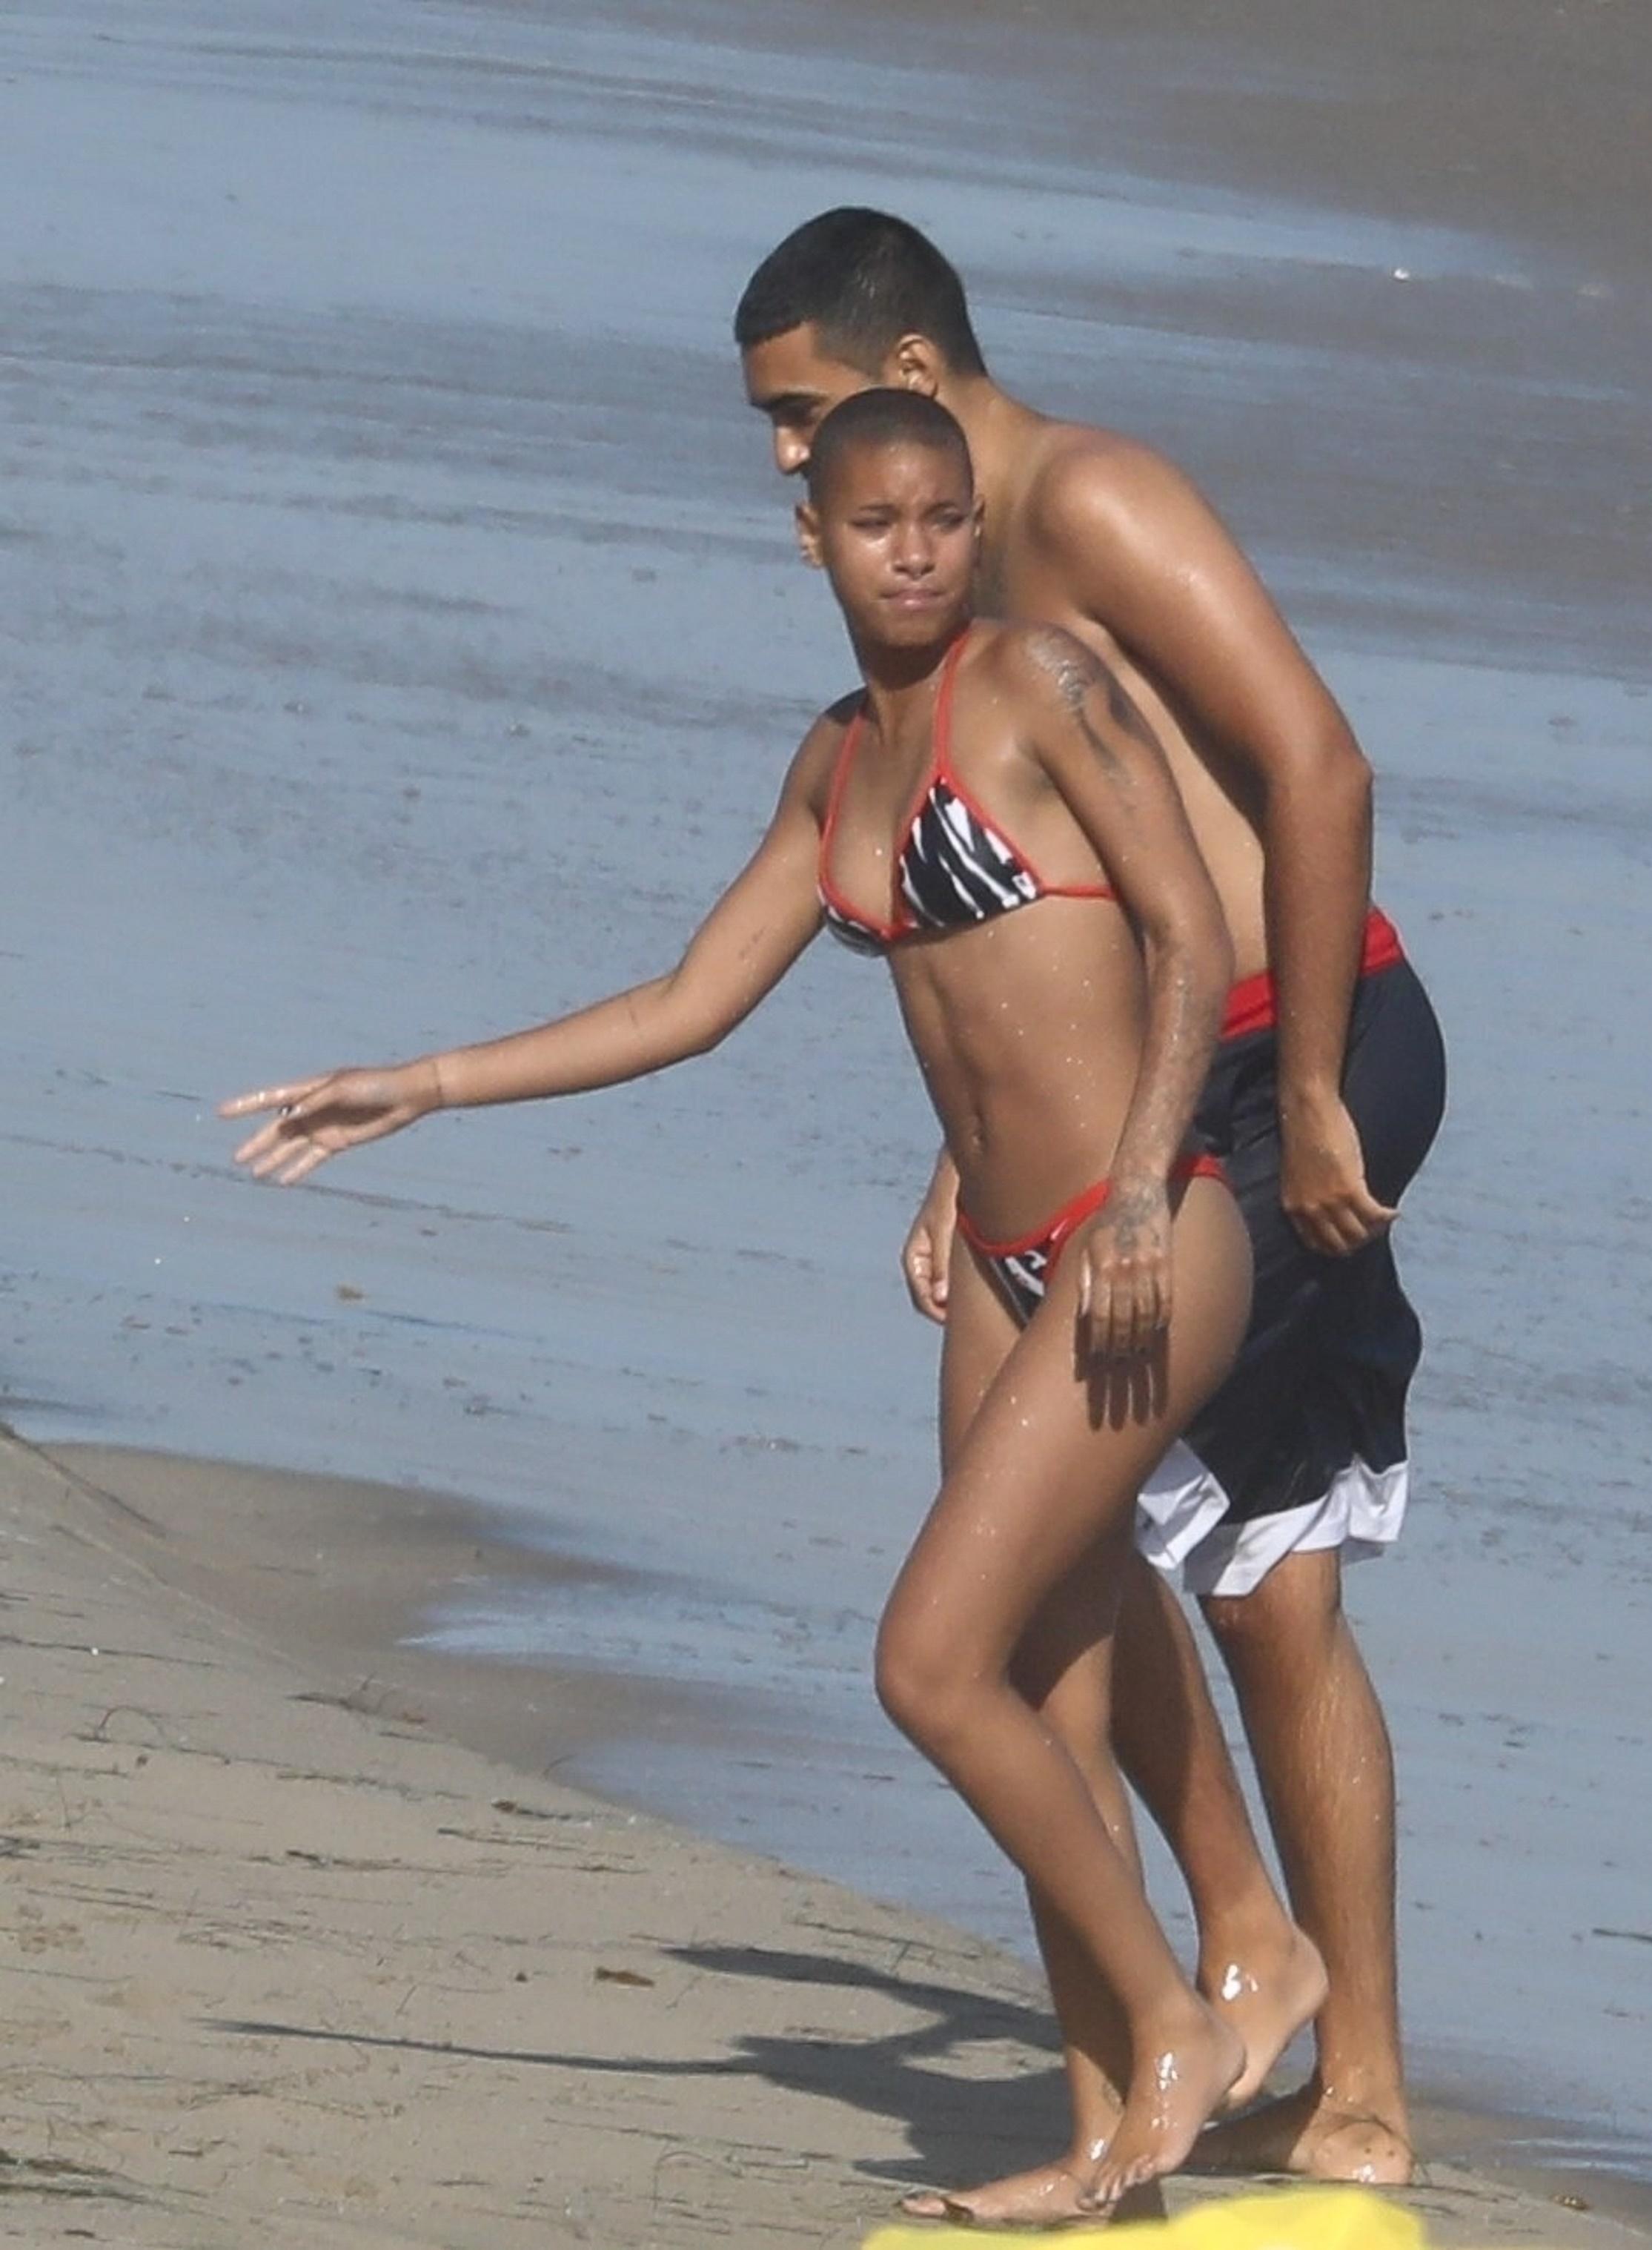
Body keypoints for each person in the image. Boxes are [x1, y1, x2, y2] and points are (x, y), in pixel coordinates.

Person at [224, 390, 1290, 2216]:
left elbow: (1191, 928)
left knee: (927, 1666)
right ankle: (1105, 2139)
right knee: (1043, 1702)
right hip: (1001, 1268)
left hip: (1143, 1238)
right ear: (812, 538)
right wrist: (425, 1083)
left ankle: (1177, 2025)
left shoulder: (1039, 683)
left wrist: (1133, 1184)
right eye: (876, 525)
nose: (914, 553)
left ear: (974, 526)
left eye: (943, 519)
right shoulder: (834, 766)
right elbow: (682, 1003)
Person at [734, 210, 1447, 2195]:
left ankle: (1339, 2059)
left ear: (910, 371)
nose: (785, 457)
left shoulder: (1089, 504)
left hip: (1297, 1044)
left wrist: (1307, 1090)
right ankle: (1235, 2000)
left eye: (798, 409)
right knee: (1082, 1544)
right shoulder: (949, 578)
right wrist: (970, 1159)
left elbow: (1316, 764)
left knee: (1249, 1566)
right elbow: (1025, 914)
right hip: (1156, 1075)